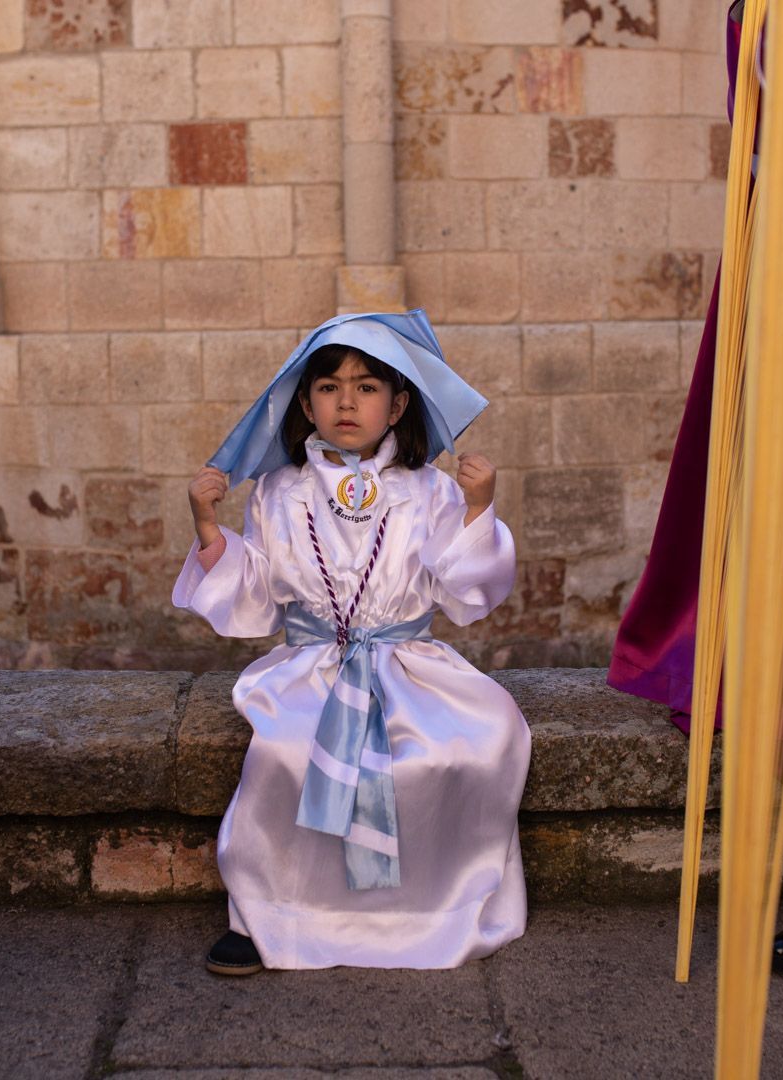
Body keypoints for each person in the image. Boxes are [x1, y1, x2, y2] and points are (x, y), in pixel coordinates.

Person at [173, 311, 530, 974]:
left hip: (407, 664)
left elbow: (462, 589)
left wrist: (479, 509)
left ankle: (432, 911)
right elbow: (256, 590)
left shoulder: (429, 491)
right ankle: (270, 917)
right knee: (284, 748)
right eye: (330, 387)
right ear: (305, 403)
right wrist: (208, 527)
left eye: (366, 387)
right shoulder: (279, 492)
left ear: (398, 405)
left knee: (464, 746)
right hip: (313, 665)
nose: (346, 401)